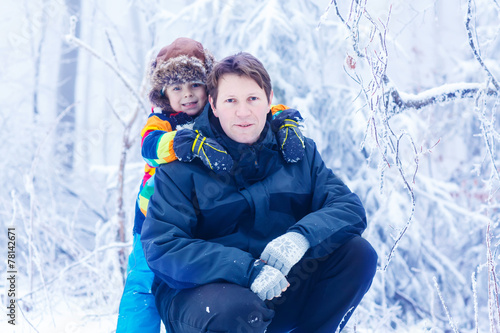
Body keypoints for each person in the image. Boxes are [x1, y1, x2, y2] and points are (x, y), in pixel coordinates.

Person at [141, 52, 378, 333]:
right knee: (239, 310)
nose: (243, 112)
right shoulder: (182, 165)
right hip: (203, 298)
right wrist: (246, 269)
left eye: (252, 99)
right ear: (213, 106)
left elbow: (348, 208)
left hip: (281, 287)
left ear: (269, 100)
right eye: (231, 101)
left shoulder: (297, 152)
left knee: (358, 254)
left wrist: (300, 238)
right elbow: (163, 246)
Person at [117, 38, 307, 332]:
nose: (187, 95)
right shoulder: (162, 122)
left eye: (195, 85)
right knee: (143, 285)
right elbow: (149, 147)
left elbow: (262, 106)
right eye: (176, 88)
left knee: (190, 278)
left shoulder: (220, 113)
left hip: (198, 221)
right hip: (152, 220)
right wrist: (183, 143)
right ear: (163, 93)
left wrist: (285, 120)